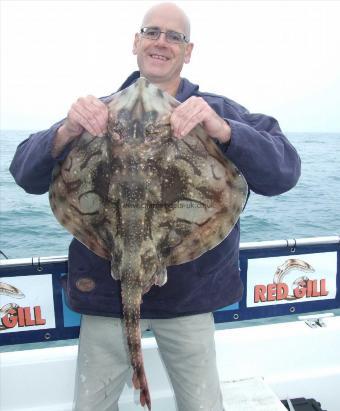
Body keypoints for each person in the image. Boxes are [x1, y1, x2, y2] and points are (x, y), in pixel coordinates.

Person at [10, 2, 301, 411]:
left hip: (190, 299)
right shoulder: (96, 112)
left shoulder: (216, 111)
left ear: (188, 50)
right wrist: (65, 131)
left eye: (174, 36)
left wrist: (225, 131)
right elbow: (24, 172)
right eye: (152, 32)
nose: (161, 42)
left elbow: (285, 173)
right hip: (106, 299)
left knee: (202, 405)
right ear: (136, 42)